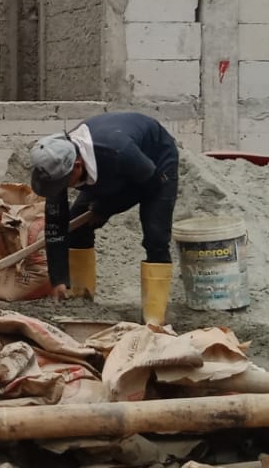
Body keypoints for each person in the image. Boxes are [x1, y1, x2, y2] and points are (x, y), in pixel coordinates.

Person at [28, 111, 180, 324]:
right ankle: (81, 302)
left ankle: (154, 318)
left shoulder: (119, 153)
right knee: (78, 227)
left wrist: (106, 208)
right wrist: (59, 279)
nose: (60, 189)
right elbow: (57, 224)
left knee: (156, 236)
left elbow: (149, 186)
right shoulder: (57, 162)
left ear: (77, 166)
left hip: (155, 164)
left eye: (63, 184)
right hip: (109, 166)